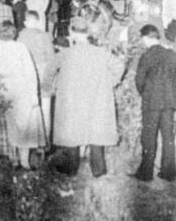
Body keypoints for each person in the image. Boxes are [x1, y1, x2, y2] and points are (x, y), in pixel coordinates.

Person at [51, 20, 124, 178]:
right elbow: (119, 66)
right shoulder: (101, 53)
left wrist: (54, 85)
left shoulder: (65, 54)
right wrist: (110, 83)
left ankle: (71, 168)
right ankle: (98, 170)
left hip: (73, 100)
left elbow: (49, 70)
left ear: (72, 33)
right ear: (88, 33)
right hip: (96, 98)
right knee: (95, 132)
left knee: (72, 133)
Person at [0, 22, 45, 168]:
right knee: (24, 126)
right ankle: (24, 162)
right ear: (14, 33)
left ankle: (12, 159)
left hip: (3, 88)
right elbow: (31, 71)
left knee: (5, 126)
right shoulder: (21, 47)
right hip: (21, 88)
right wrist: (34, 94)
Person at [132, 24, 176, 183]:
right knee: (168, 136)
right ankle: (169, 172)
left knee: (149, 137)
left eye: (143, 39)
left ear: (147, 38)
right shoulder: (171, 54)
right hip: (169, 103)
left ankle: (146, 173)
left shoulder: (146, 56)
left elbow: (139, 80)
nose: (143, 42)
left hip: (151, 102)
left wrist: (145, 93)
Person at [18, 9, 56, 145]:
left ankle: (30, 141)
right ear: (38, 21)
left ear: (25, 22)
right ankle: (45, 142)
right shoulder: (45, 36)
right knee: (46, 109)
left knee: (29, 110)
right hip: (43, 73)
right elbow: (52, 59)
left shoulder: (20, 36)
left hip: (26, 76)